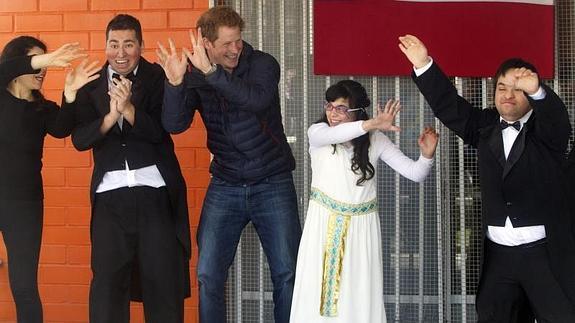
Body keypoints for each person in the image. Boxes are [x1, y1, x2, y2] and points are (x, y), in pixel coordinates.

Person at [399, 34, 575, 322]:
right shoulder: (484, 126)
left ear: (530, 96)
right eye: (502, 87)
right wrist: (423, 64)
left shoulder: (547, 131)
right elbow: (450, 107)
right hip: (500, 256)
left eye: (518, 90)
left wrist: (539, 90)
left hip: (544, 255)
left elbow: (557, 119)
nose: (508, 94)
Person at [156, 6, 301, 323]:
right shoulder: (196, 74)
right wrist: (176, 83)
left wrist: (211, 74)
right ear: (206, 43)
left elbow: (254, 100)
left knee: (288, 273)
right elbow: (174, 124)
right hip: (226, 184)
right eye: (227, 43)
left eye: (238, 40)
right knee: (208, 275)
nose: (236, 48)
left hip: (272, 181)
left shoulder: (262, 64)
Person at [67, 14, 190, 323]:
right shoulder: (91, 82)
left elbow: (163, 132)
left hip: (154, 193)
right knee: (107, 284)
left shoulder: (157, 76)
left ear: (140, 46)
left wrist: (131, 110)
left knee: (162, 282)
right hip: (110, 197)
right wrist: (110, 117)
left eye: (128, 45)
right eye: (113, 44)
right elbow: (80, 139)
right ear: (105, 45)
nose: (120, 53)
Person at [289, 80, 438, 323]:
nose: (333, 113)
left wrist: (426, 156)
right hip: (323, 227)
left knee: (358, 292)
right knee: (315, 293)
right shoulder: (318, 133)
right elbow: (338, 133)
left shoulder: (375, 140)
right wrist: (372, 123)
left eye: (342, 109)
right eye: (330, 106)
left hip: (362, 229)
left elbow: (415, 173)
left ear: (357, 111)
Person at [0, 36, 98, 323]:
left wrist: (69, 94)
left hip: (25, 206)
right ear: (19, 62)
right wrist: (47, 58)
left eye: (46, 65)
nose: (43, 70)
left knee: (24, 287)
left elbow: (62, 128)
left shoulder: (42, 109)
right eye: (37, 63)